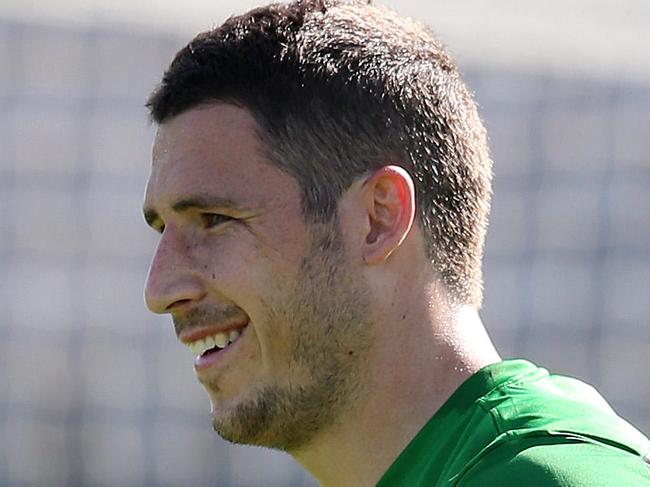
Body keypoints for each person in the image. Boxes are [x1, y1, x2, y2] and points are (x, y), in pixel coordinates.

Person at [141, 0, 650, 485]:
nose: (159, 291)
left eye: (214, 219)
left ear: (378, 219)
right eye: (163, 228)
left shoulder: (550, 477)